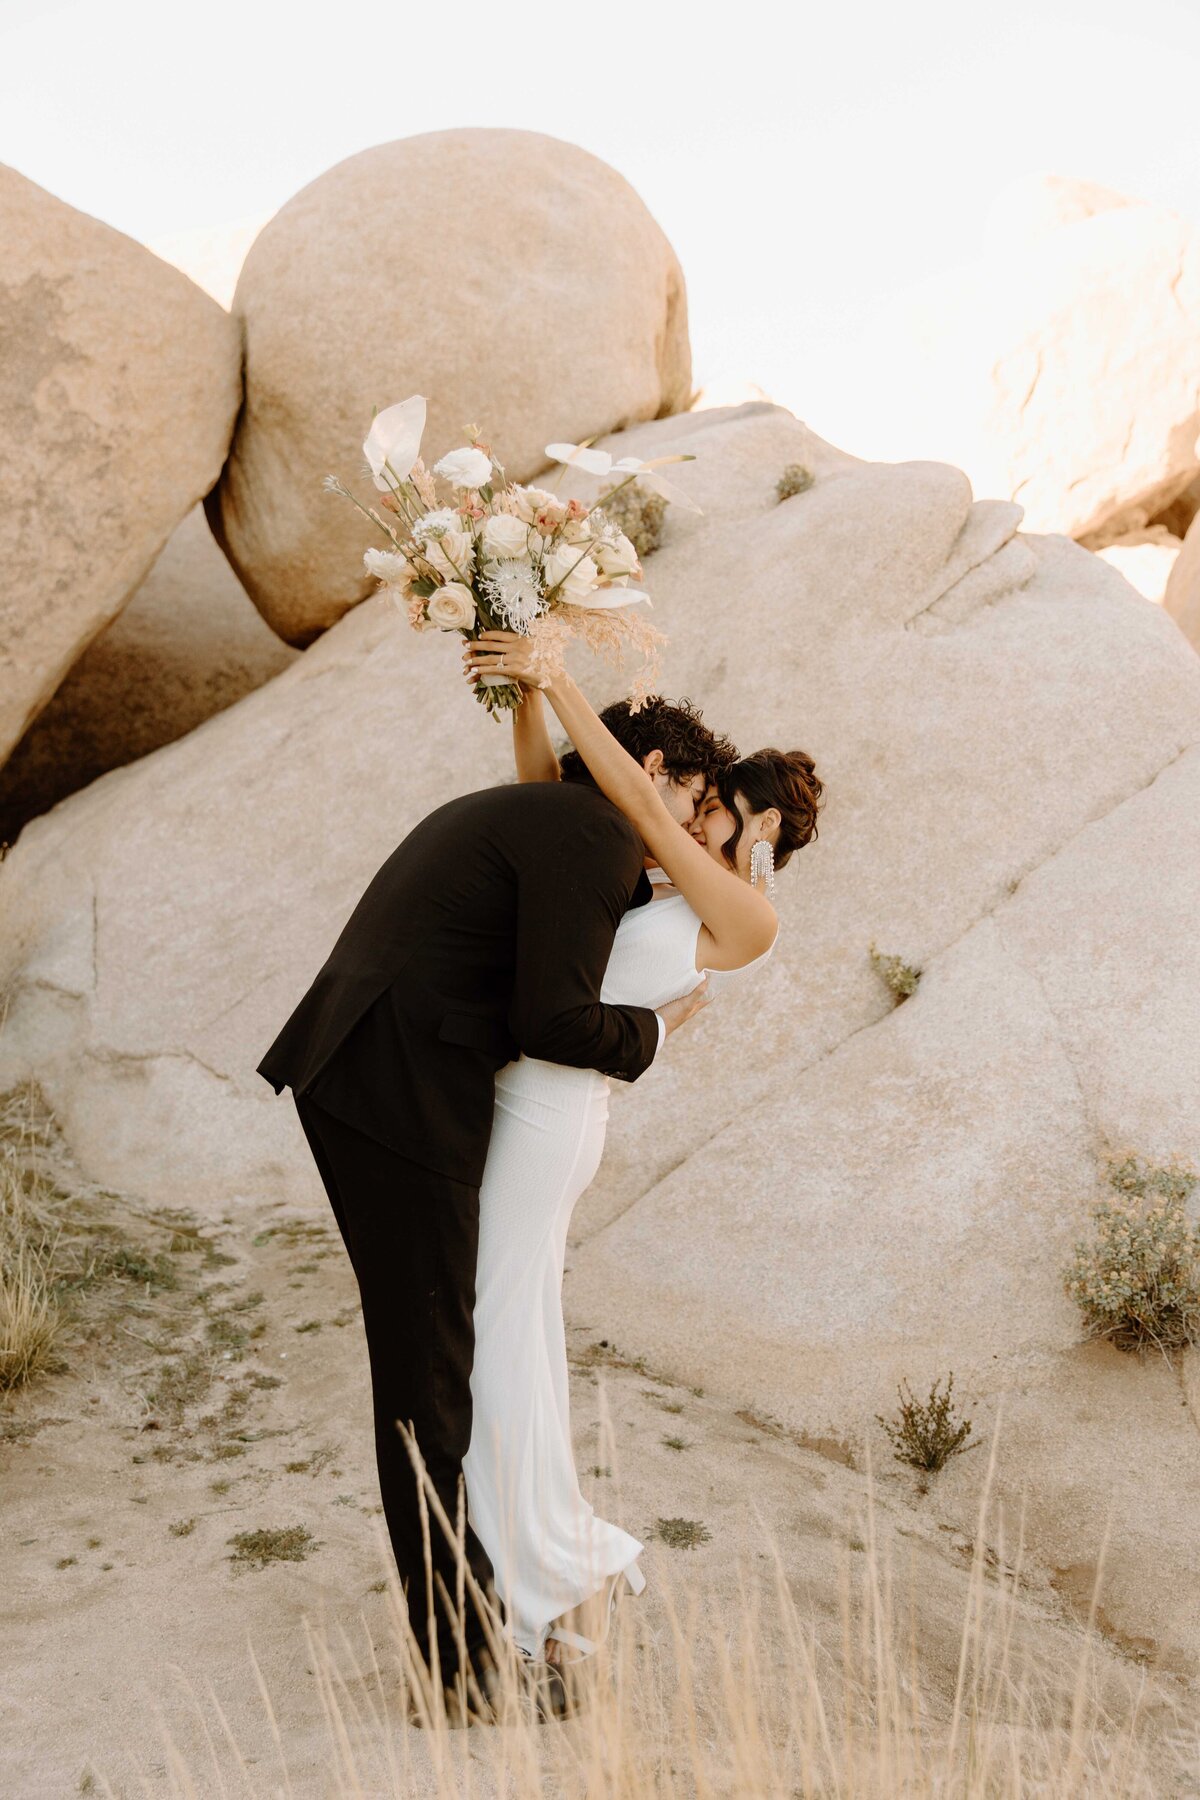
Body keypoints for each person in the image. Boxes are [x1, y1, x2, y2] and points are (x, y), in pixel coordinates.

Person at [254, 689, 736, 1720]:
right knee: (427, 1380)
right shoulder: (595, 834)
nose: (689, 833)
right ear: (648, 768)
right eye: (692, 801)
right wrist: (656, 1031)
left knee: (436, 1368)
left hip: (374, 1076)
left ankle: (490, 1630)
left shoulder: (544, 819)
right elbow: (554, 1017)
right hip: (394, 1091)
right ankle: (468, 1675)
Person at [459, 629, 823, 1679]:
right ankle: (537, 1566)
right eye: (691, 802)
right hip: (524, 1096)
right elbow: (549, 799)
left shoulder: (744, 918)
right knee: (505, 1331)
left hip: (555, 1113)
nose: (683, 814)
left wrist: (559, 672)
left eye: (712, 808)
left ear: (750, 828)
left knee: (498, 1332)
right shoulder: (649, 882)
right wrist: (532, 697)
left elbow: (622, 792)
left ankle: (543, 1579)